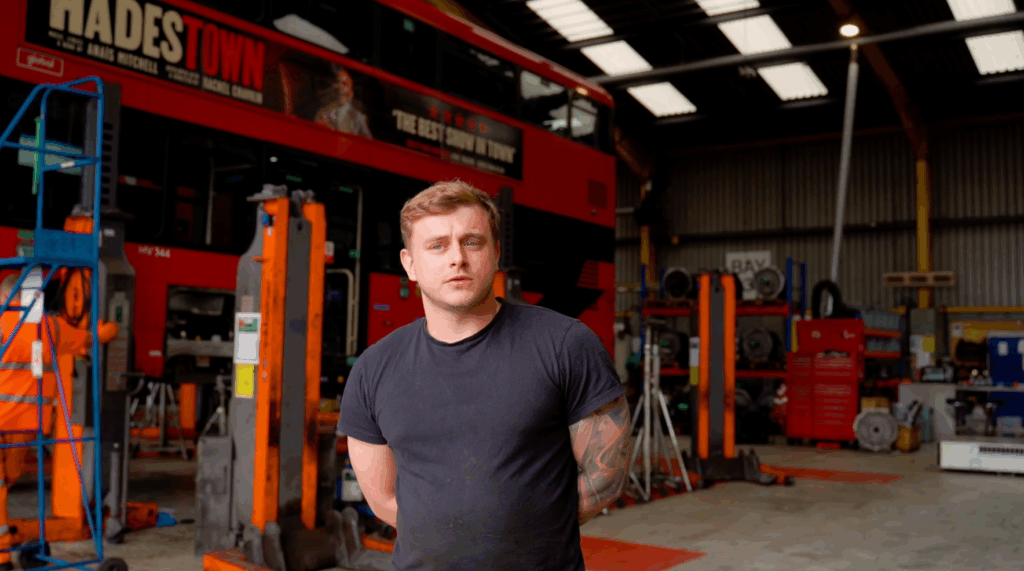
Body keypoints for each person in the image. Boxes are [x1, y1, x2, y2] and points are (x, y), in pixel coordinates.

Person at [338, 180, 631, 571]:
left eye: (472, 242)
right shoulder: (374, 368)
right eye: (437, 245)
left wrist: (530, 534)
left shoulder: (565, 344)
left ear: (495, 253)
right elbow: (382, 499)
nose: (457, 259)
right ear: (410, 264)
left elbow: (606, 475)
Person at [0, 274, 118, 570]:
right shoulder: (51, 327)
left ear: (5, 297)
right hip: (28, 425)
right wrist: (108, 329)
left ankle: (2, 557)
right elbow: (91, 339)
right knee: (5, 482)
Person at [314, 66, 372, 138]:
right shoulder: (323, 114)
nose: (340, 87)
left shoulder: (360, 118)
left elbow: (368, 140)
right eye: (337, 82)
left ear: (351, 92)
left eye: (344, 84)